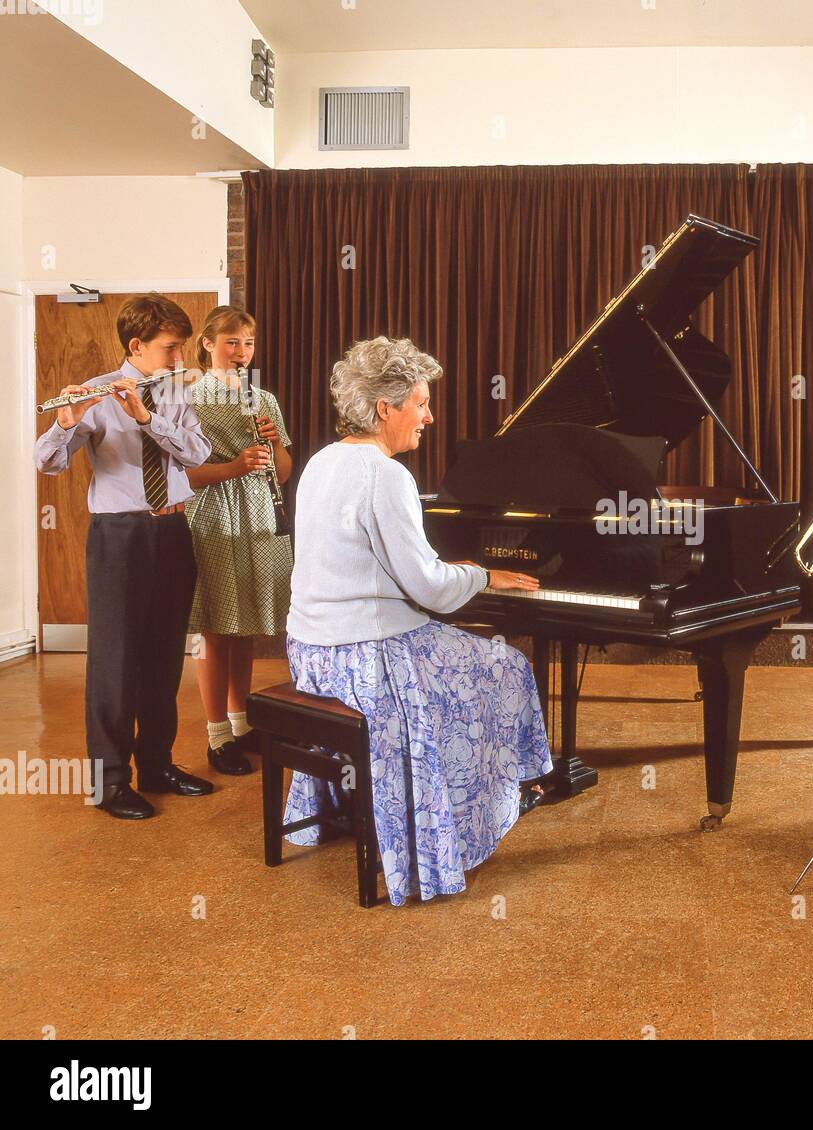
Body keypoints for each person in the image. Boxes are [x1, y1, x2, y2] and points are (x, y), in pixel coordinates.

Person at [283, 336, 552, 905]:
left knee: (466, 659)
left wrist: (440, 570)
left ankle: (394, 803)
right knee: (505, 666)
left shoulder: (320, 461)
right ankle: (465, 814)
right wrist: (481, 574)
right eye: (421, 403)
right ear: (386, 408)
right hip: (370, 661)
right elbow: (431, 589)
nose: (429, 416)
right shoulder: (386, 475)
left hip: (311, 649)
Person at [33, 294, 214, 819]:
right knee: (115, 661)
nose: (180, 359)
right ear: (136, 347)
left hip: (173, 530)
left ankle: (156, 765)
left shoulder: (175, 392)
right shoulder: (93, 393)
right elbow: (47, 463)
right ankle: (108, 782)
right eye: (170, 348)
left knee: (163, 656)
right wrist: (67, 422)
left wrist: (147, 418)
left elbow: (198, 454)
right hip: (119, 537)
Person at [184, 306, 293, 775]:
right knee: (214, 624)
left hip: (257, 509)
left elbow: (284, 472)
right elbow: (180, 475)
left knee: (244, 619)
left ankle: (241, 723)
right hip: (213, 511)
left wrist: (273, 447)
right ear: (208, 344)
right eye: (231, 342)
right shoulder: (187, 395)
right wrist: (234, 466)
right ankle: (214, 735)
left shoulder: (262, 397)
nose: (242, 352)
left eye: (248, 343)